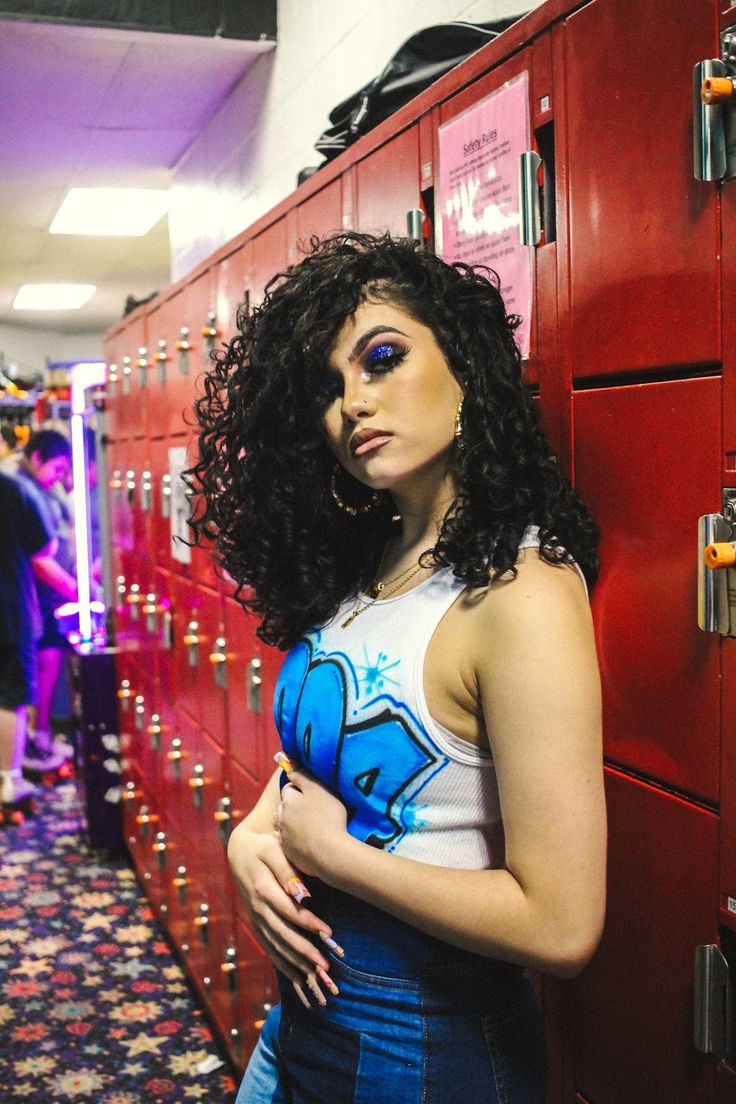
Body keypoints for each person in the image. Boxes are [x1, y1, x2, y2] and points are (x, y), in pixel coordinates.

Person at [190, 232, 606, 1103]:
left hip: (427, 1048)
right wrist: (251, 836)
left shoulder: (521, 591)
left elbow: (563, 925)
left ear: (467, 366)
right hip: (301, 1025)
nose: (353, 403)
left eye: (382, 359)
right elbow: (319, 768)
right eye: (329, 387)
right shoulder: (372, 563)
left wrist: (334, 860)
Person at [14, 429, 78, 770]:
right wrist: (74, 588)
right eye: (57, 467)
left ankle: (39, 737)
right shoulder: (20, 488)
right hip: (35, 595)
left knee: (48, 660)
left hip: (49, 596)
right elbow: (39, 555)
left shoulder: (39, 489)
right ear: (37, 457)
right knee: (31, 669)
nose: (60, 476)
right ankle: (27, 746)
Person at [0, 469, 55, 809]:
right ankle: (8, 780)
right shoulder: (11, 488)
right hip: (8, 607)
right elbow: (44, 546)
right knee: (9, 695)